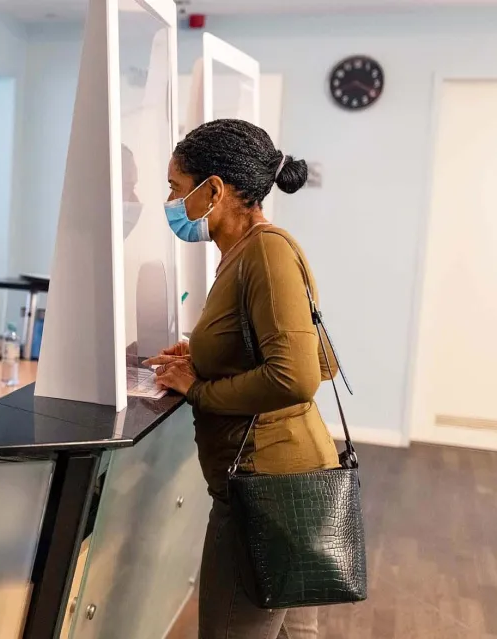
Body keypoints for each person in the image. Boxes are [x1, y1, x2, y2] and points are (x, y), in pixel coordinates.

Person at [144, 119, 339, 639]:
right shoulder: (239, 253)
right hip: (284, 484)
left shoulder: (265, 252)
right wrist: (203, 355)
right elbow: (267, 344)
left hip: (271, 489)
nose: (169, 201)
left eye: (175, 189)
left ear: (215, 190)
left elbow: (298, 376)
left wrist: (200, 389)